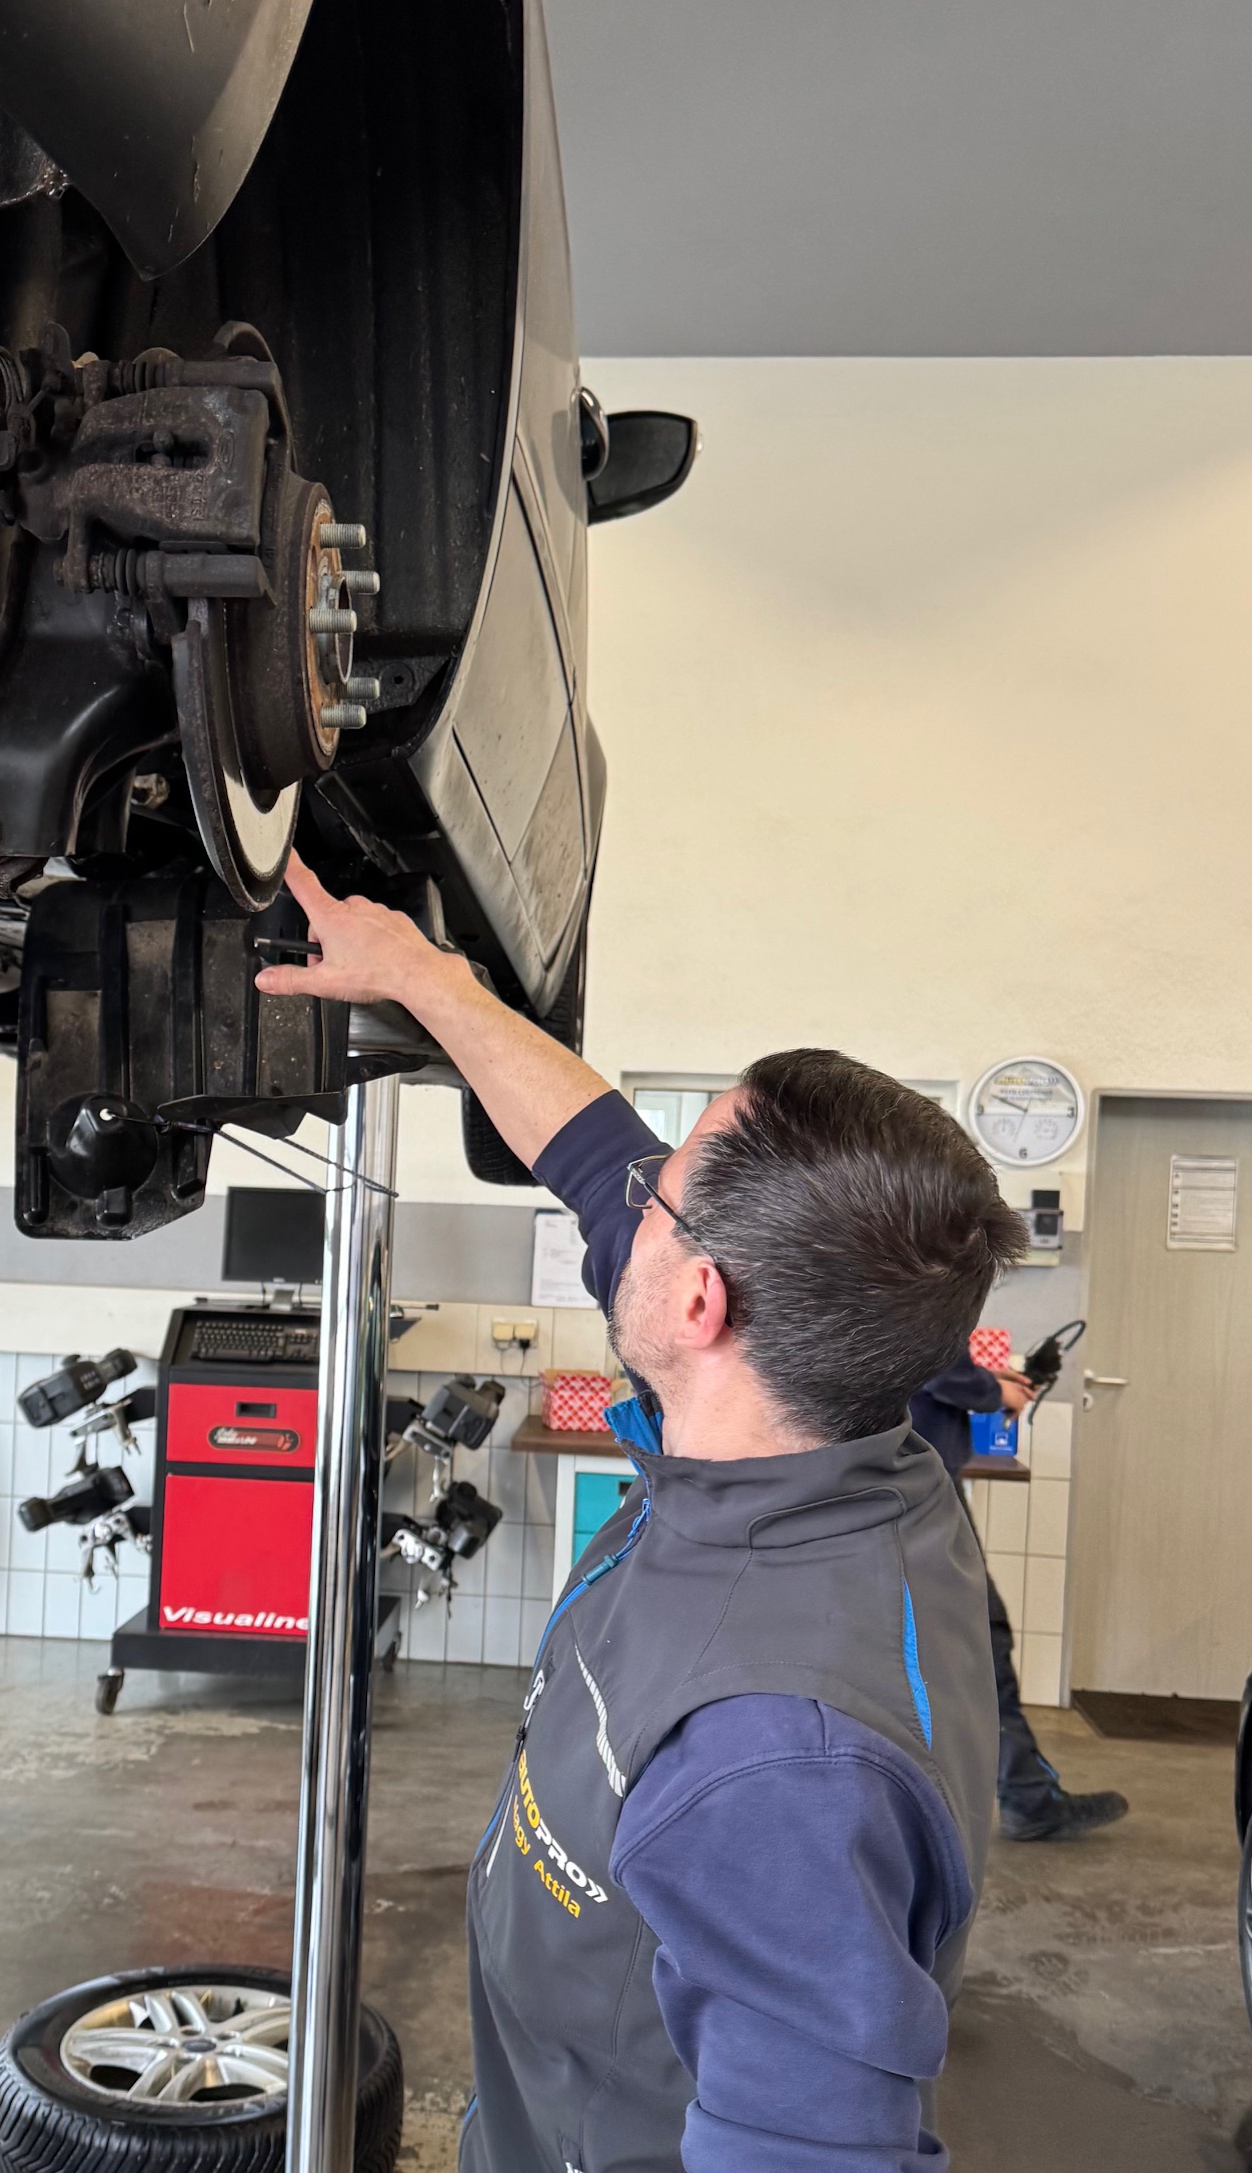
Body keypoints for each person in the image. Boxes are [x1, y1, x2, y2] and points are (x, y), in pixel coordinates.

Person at [259, 854, 1029, 2173]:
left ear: (698, 1304)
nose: (635, 1196)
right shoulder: (841, 1423)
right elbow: (591, 1144)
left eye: (666, 1194)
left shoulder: (781, 1764)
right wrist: (414, 973)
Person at [910, 1354, 1128, 1842]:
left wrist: (986, 1380)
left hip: (905, 1480)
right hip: (920, 1489)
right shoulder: (920, 1273)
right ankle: (1028, 1798)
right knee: (982, 1642)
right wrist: (991, 1392)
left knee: (958, 1646)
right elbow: (930, 1352)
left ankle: (1023, 1792)